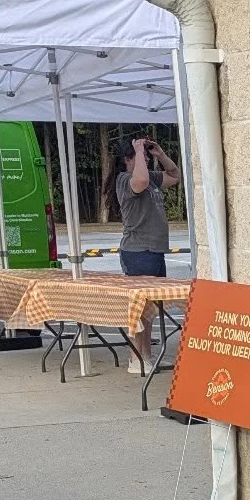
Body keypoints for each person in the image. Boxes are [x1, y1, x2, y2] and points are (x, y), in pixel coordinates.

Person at [104, 135, 180, 371]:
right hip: (138, 251)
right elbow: (140, 182)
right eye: (142, 157)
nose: (146, 161)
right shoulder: (125, 180)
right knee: (140, 310)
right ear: (128, 159)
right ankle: (136, 359)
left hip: (154, 250)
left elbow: (175, 176)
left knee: (149, 310)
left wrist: (160, 155)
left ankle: (145, 356)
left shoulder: (150, 180)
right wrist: (138, 151)